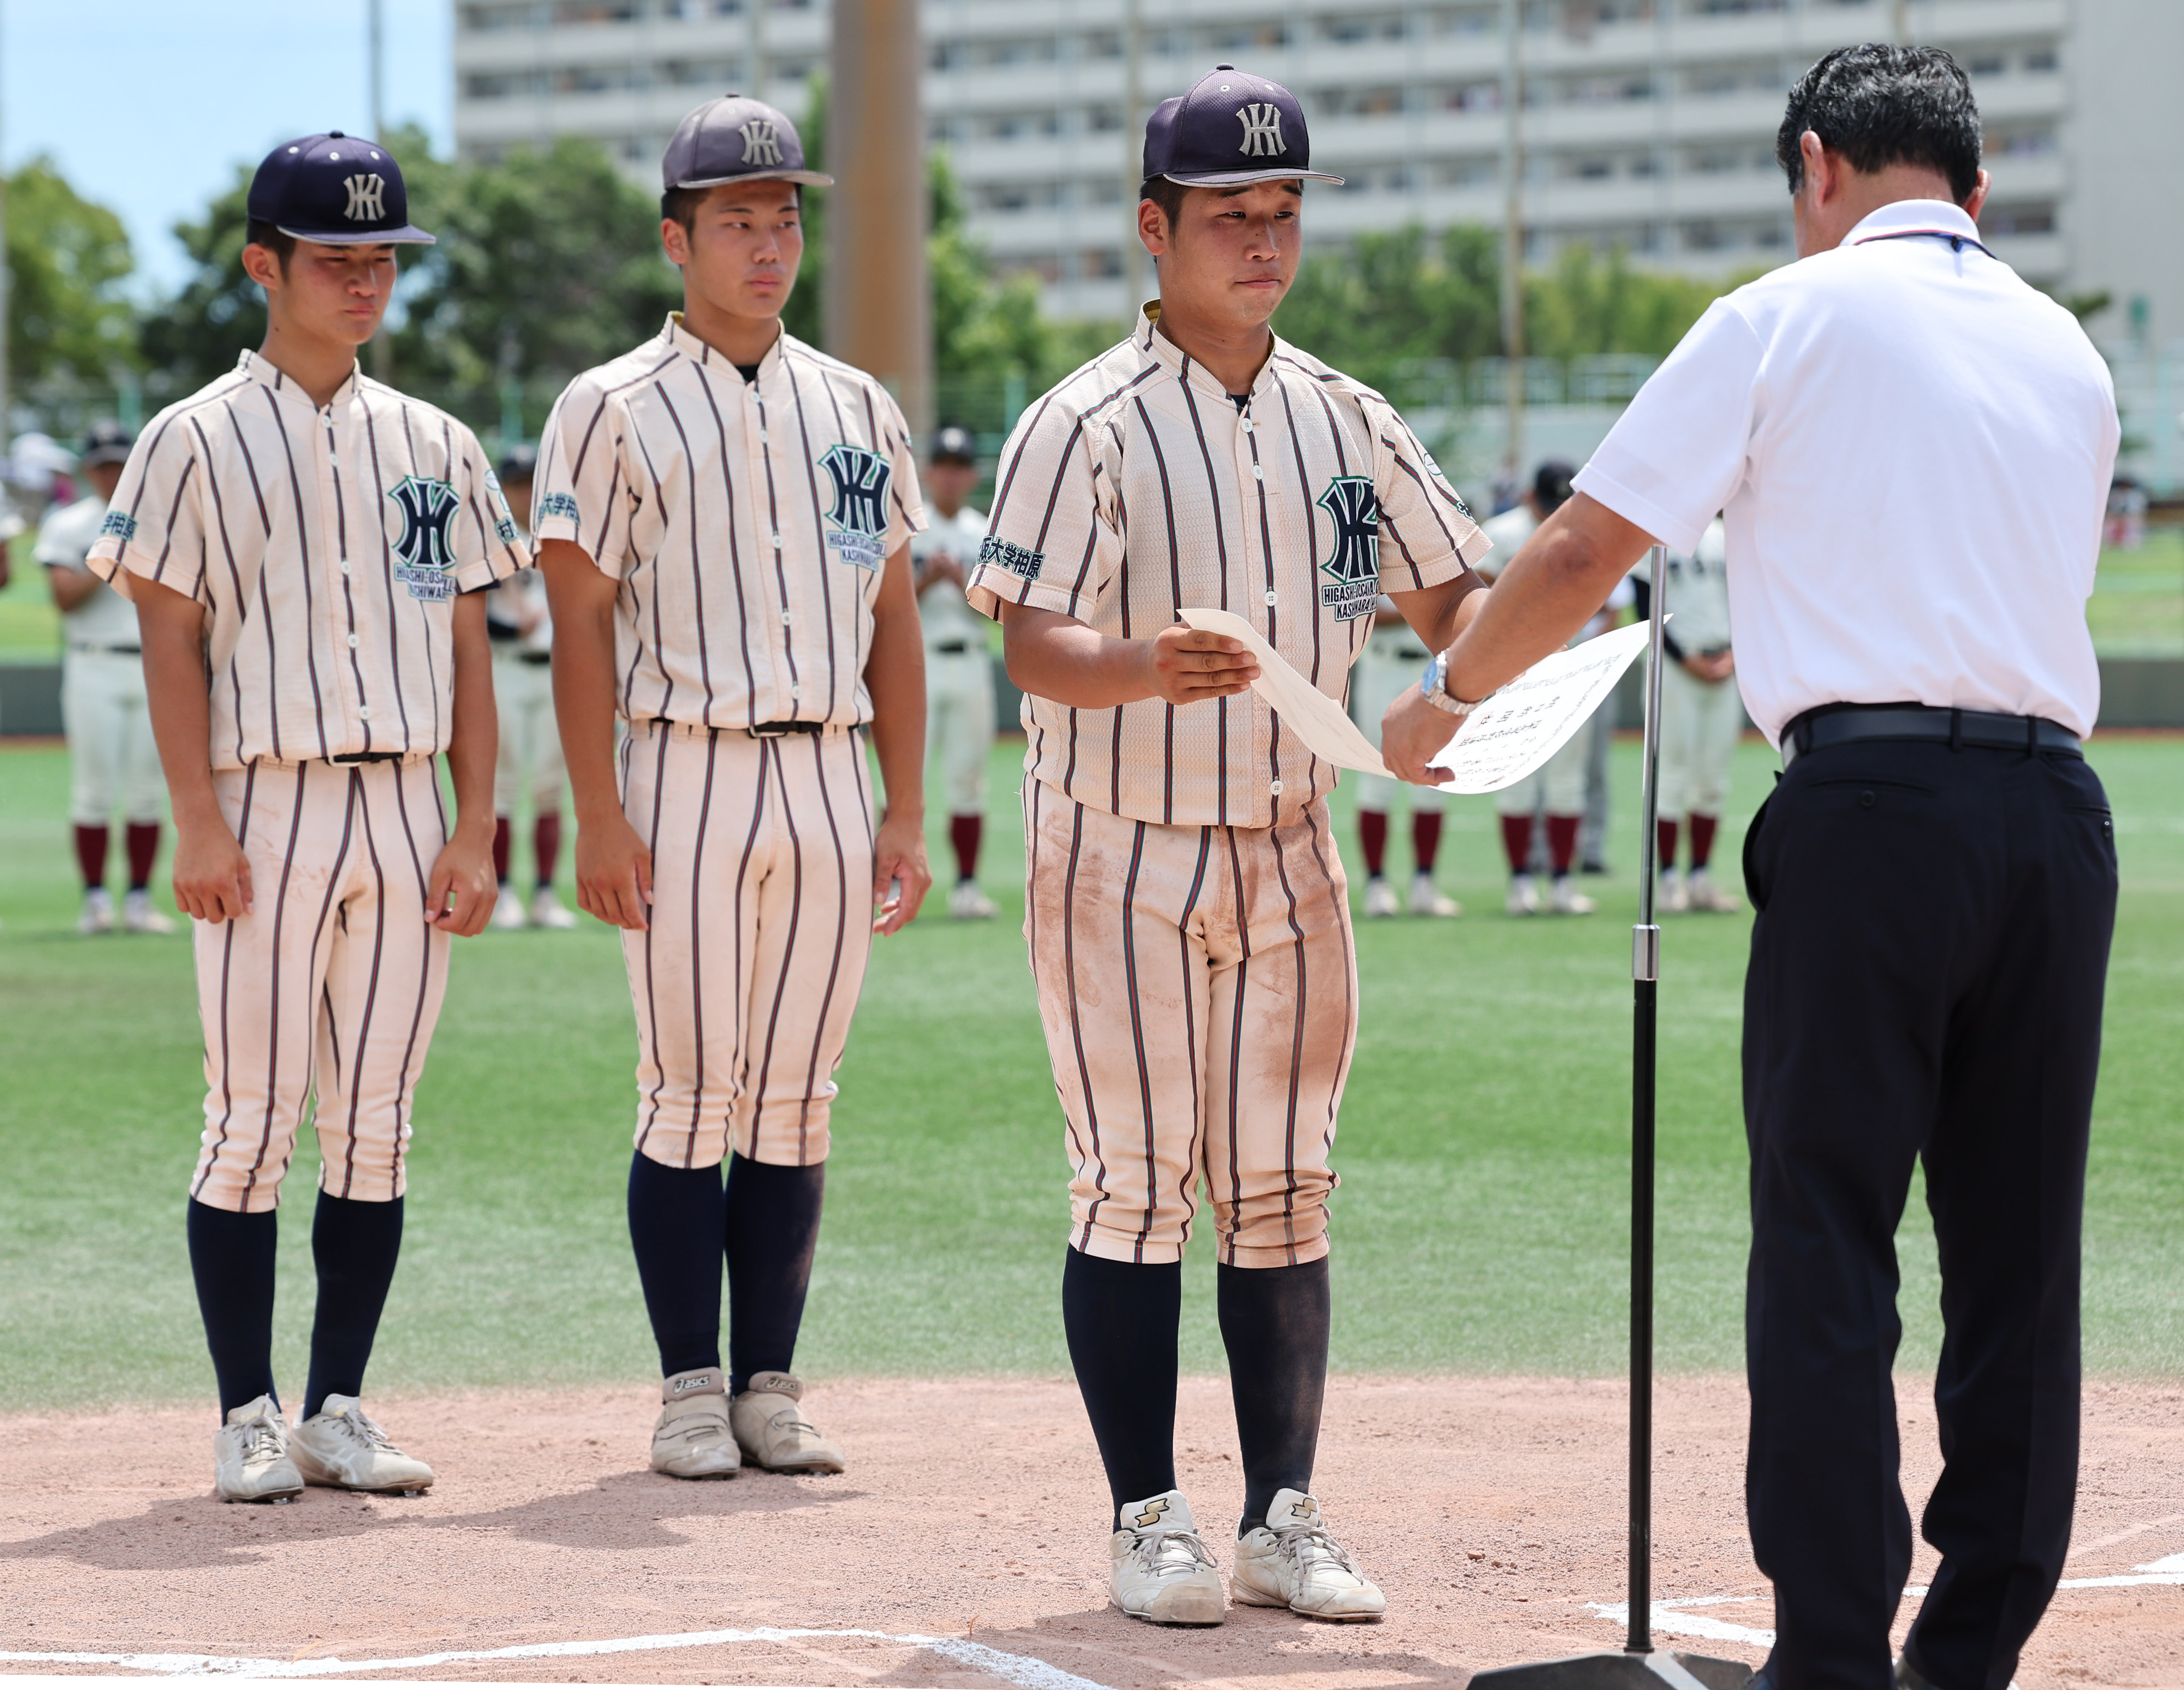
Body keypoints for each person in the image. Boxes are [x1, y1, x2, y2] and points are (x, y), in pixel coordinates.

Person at [1382, 46, 2118, 1690]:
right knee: (2019, 1260)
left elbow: (1588, 543)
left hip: (1871, 808)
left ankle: (1832, 1656)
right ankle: (1969, 1654)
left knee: (1827, 1233)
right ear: (1975, 185)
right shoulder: (2065, 349)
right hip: (2057, 820)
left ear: (1816, 167)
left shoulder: (1781, 317)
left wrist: (1448, 697)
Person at [966, 64, 1489, 1628]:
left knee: (1280, 1186)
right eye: (1227, 215)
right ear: (1155, 229)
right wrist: (1141, 664)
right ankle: (1147, 1516)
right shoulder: (1083, 421)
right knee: (1133, 1185)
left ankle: (1279, 1515)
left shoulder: (1346, 415)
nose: (1263, 240)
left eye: (1282, 211)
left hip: (1288, 835)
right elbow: (1030, 642)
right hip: (1115, 840)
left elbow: (1452, 594)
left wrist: (1477, 678)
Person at [88, 132, 520, 1504]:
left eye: (383, 257)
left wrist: (476, 823)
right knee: (252, 1123)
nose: (366, 280)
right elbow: (169, 641)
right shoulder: (191, 437)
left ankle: (337, 1406)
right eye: (336, 258)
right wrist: (196, 822)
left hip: (404, 806)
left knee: (378, 1124)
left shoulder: (437, 442)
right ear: (262, 266)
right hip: (265, 803)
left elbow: (469, 649)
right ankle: (246, 1413)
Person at [535, 94, 929, 1484]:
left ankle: (770, 1381)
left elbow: (894, 617)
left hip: (826, 770)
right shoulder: (609, 406)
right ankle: (688, 1389)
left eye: (785, 219)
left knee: (797, 1097)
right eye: (738, 222)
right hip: (685, 766)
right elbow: (578, 619)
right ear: (677, 240)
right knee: (689, 1092)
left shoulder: (857, 404)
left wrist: (902, 805)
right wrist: (598, 812)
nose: (769, 246)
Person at [40, 422, 173, 936]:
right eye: (103, 466)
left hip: (150, 663)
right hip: (93, 660)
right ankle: (95, 900)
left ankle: (139, 900)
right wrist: (109, 553)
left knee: (147, 791)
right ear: (88, 470)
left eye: (120, 464)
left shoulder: (161, 518)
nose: (112, 475)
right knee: (93, 790)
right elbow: (64, 597)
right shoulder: (70, 523)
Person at [1476, 462, 1601, 916]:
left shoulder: (1588, 529)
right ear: (1530, 497)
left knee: (1567, 781)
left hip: (1567, 667)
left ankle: (1563, 882)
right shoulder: (1503, 532)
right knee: (1516, 781)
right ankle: (1520, 883)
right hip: (1512, 670)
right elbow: (1478, 593)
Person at [483, 443, 577, 931]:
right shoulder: (491, 538)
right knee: (500, 785)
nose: (524, 493)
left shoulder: (561, 534)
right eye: (516, 484)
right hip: (506, 666)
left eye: (530, 483)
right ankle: (501, 891)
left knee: (549, 786)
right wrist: (507, 629)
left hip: (555, 671)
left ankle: (544, 894)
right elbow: (467, 614)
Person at [912, 424, 999, 919]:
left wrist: (960, 579)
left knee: (968, 776)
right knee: (906, 778)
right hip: (918, 661)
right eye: (943, 466)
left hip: (969, 657)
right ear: (928, 472)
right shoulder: (910, 526)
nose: (950, 476)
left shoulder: (985, 531)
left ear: (971, 475)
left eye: (959, 467)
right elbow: (886, 605)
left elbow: (999, 610)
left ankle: (966, 886)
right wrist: (928, 580)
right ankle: (892, 883)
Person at [1634, 518, 1743, 913]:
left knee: (1713, 779)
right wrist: (1684, 658)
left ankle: (1700, 878)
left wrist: (1734, 653)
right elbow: (1644, 605)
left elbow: (1750, 600)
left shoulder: (1728, 535)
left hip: (1725, 661)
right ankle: (1667, 880)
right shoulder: (1655, 532)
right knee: (1671, 776)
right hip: (1674, 667)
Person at [1349, 595, 1458, 917]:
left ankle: (1425, 884)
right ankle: (1376, 885)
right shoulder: (1374, 559)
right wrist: (1423, 609)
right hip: (1383, 662)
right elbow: (1363, 614)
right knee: (1378, 774)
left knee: (1433, 778)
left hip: (1432, 666)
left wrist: (1429, 609)